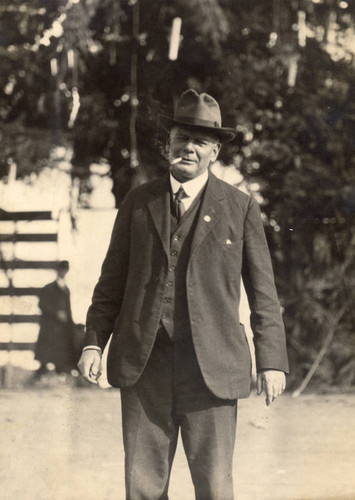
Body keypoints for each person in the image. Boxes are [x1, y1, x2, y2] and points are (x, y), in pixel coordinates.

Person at [78, 89, 289, 500]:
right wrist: (92, 344)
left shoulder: (240, 207)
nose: (188, 148)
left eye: (200, 142)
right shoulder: (138, 203)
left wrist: (273, 361)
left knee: (213, 486)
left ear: (214, 152)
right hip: (144, 365)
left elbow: (264, 293)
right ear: (167, 146)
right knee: (142, 486)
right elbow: (110, 284)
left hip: (211, 369)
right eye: (180, 138)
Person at [35, 260, 76, 375]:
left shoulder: (66, 289)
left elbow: (68, 309)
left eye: (65, 270)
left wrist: (70, 324)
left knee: (61, 355)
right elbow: (42, 304)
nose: (63, 272)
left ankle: (59, 375)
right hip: (50, 326)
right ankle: (40, 376)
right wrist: (56, 313)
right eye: (61, 270)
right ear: (57, 271)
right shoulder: (49, 288)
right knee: (45, 356)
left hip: (62, 328)